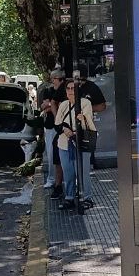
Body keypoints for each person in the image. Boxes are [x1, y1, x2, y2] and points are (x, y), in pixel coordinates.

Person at [56, 78, 97, 211]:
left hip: (81, 143)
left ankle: (87, 198)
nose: (70, 91)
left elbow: (88, 125)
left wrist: (82, 120)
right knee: (68, 172)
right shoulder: (63, 104)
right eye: (68, 88)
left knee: (83, 173)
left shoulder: (85, 103)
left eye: (73, 88)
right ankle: (69, 197)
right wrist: (65, 129)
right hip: (64, 143)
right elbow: (57, 124)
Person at [37, 69, 67, 195]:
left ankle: (63, 179)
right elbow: (44, 107)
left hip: (64, 125)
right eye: (52, 78)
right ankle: (51, 178)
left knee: (64, 153)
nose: (52, 80)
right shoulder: (48, 90)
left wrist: (51, 105)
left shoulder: (66, 90)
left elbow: (61, 105)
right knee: (51, 153)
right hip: (50, 125)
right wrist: (52, 105)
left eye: (54, 78)